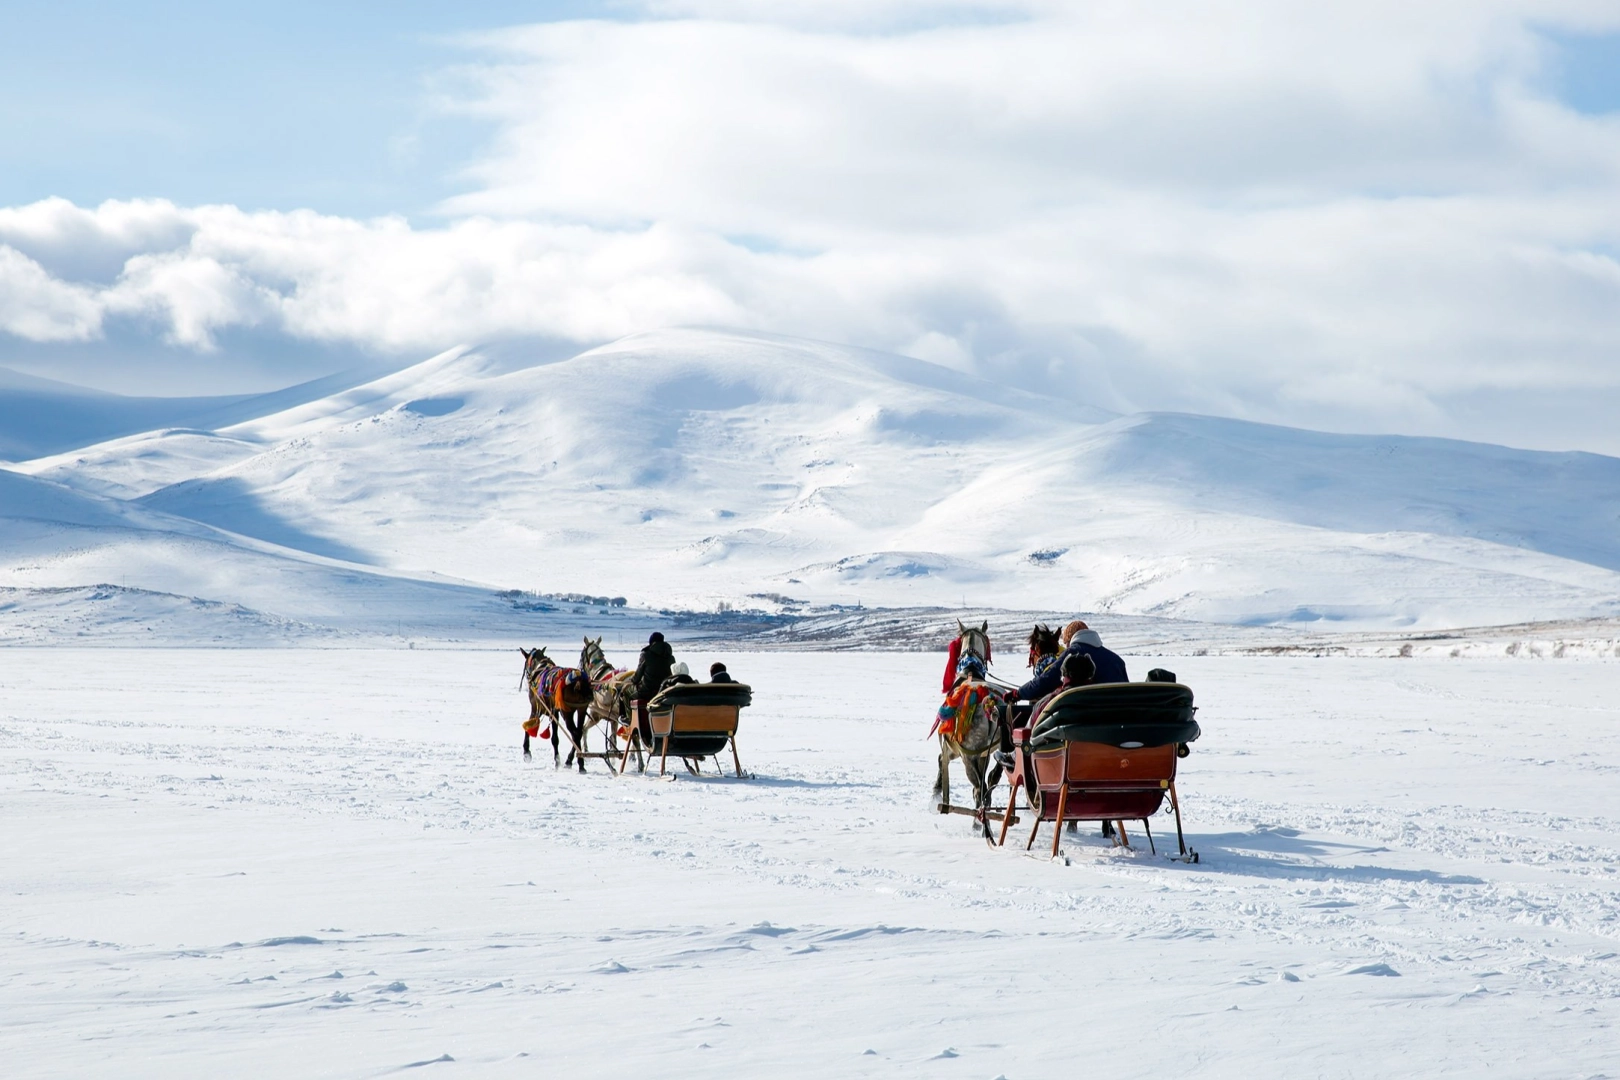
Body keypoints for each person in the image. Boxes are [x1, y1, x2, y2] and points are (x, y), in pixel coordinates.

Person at [1014, 619, 1127, 701]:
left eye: (1066, 643)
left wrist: (1019, 693)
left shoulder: (1072, 654)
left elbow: (1047, 680)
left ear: (1070, 640)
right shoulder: (1117, 660)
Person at [632, 632, 675, 701]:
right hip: (665, 691)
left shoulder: (645, 655)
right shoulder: (670, 657)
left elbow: (637, 677)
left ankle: (627, 712)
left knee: (626, 693)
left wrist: (631, 681)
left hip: (647, 692)